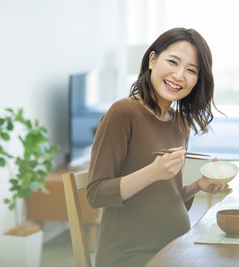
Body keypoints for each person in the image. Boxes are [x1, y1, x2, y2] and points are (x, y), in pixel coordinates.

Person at [86, 27, 228, 267]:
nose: (179, 75)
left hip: (177, 249)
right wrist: (153, 172)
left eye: (191, 70)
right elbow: (96, 193)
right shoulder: (123, 113)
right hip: (131, 258)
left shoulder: (180, 123)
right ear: (152, 60)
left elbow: (163, 199)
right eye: (173, 62)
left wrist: (197, 186)